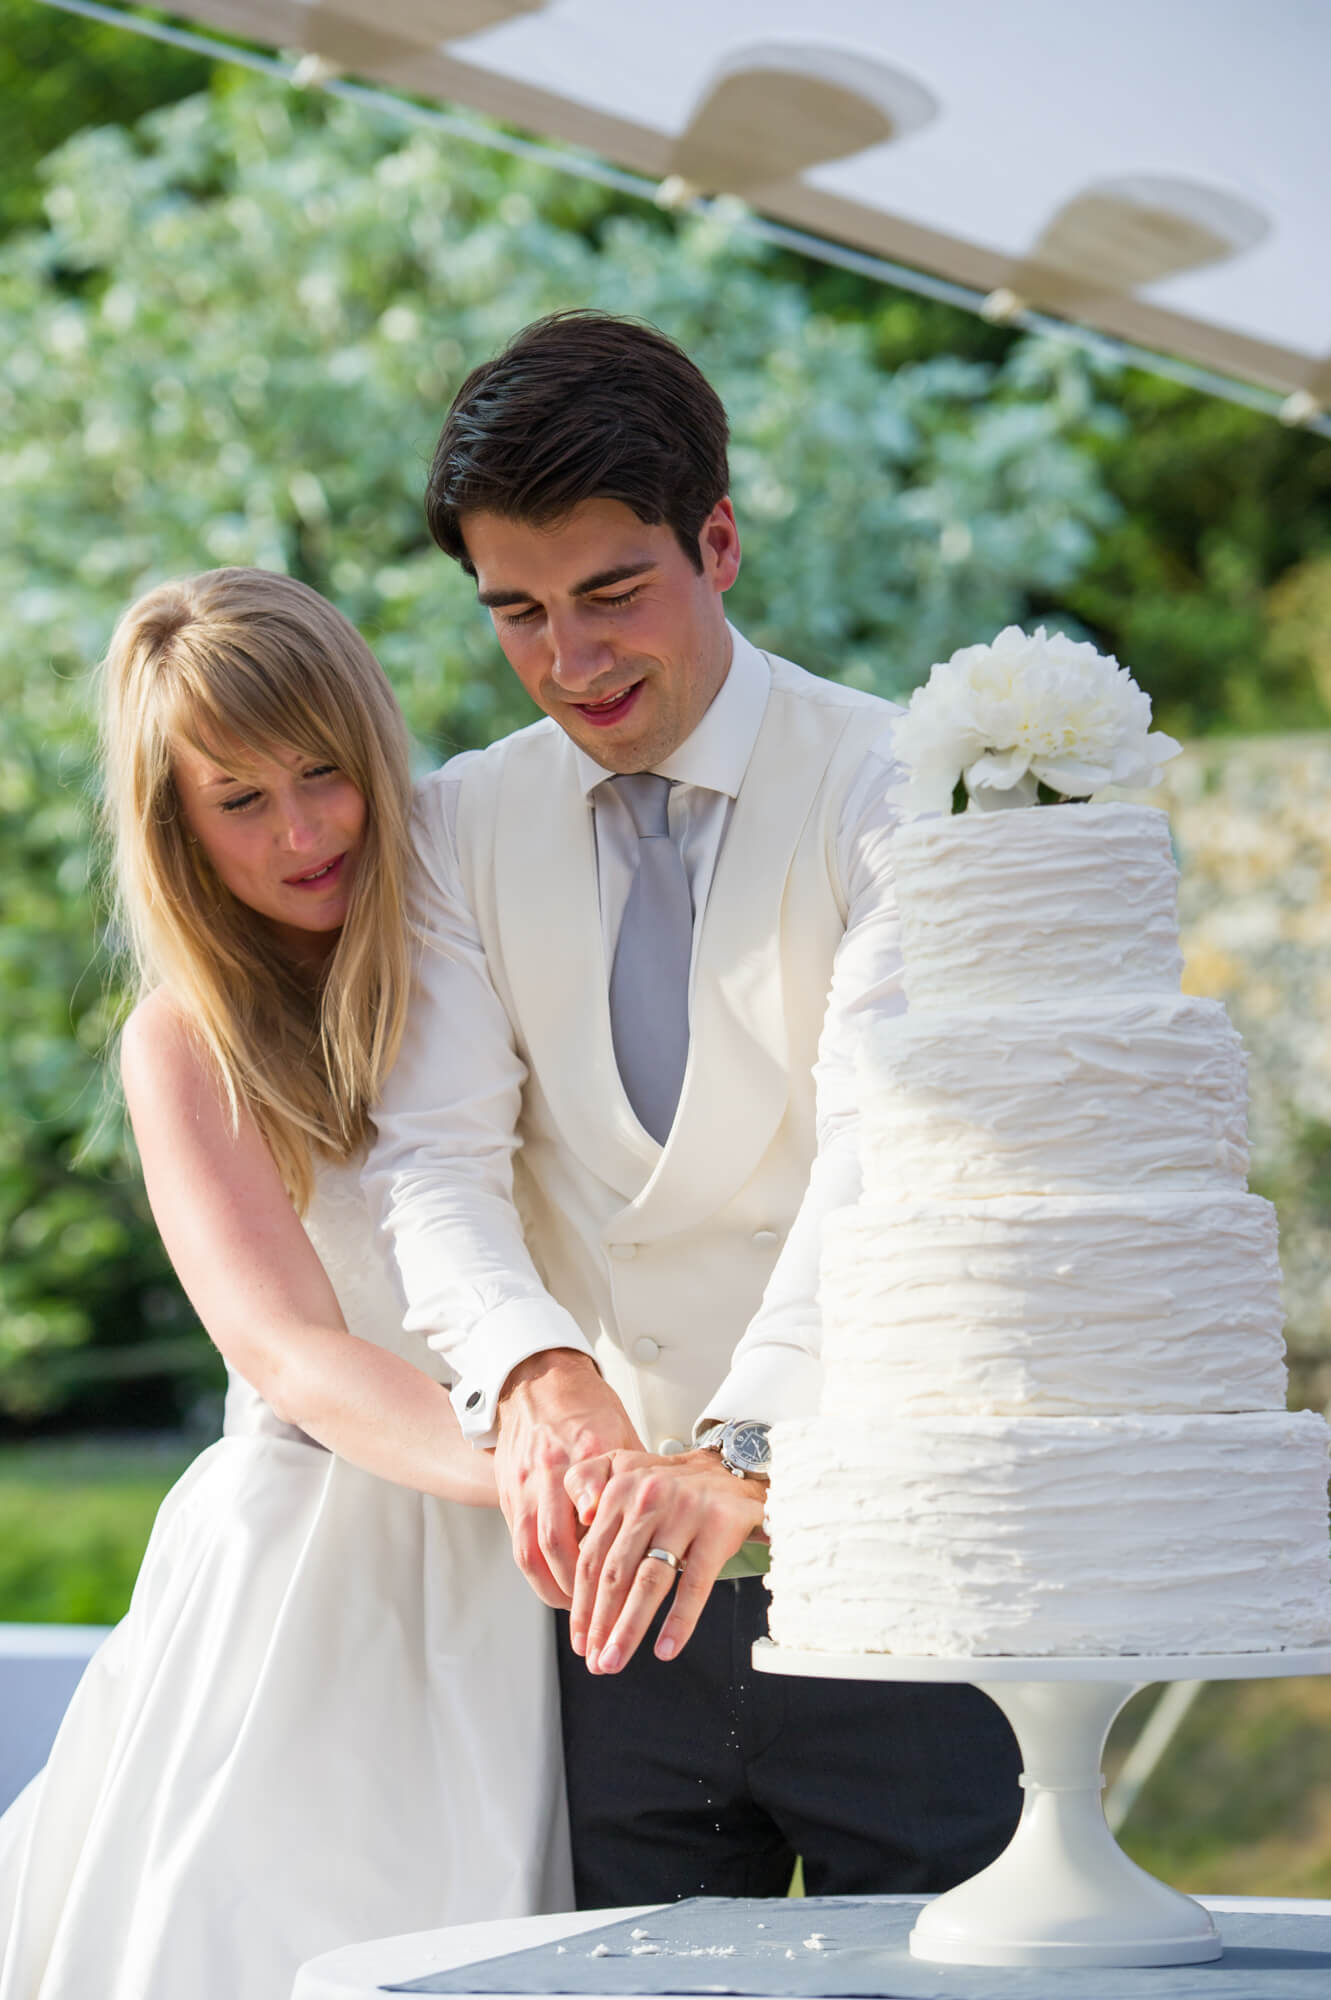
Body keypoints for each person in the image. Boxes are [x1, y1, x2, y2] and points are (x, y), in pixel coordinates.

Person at [365, 311, 1022, 1908]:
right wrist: (536, 1373)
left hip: (897, 1576)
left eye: (611, 595)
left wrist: (747, 1452)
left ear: (717, 541)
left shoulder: (906, 786)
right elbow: (434, 1157)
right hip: (606, 1622)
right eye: (515, 611)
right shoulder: (455, 822)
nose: (569, 663)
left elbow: (895, 1155)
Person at [0, 569, 569, 2000]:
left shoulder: (482, 940)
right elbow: (293, 1349)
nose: (302, 831)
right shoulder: (185, 1041)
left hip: (526, 1567)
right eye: (239, 800)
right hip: (317, 1576)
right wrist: (548, 1474)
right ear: (174, 822)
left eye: (324, 775)